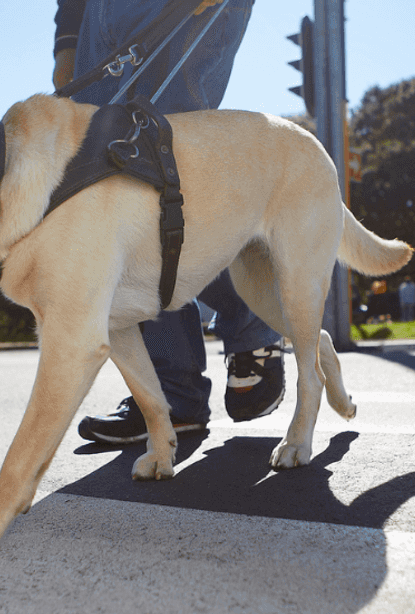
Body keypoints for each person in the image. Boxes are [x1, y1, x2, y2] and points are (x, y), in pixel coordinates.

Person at [53, 0, 284, 445]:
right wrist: (67, 42)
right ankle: (169, 394)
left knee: (160, 172)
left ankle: (251, 319)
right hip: (95, 19)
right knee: (112, 193)